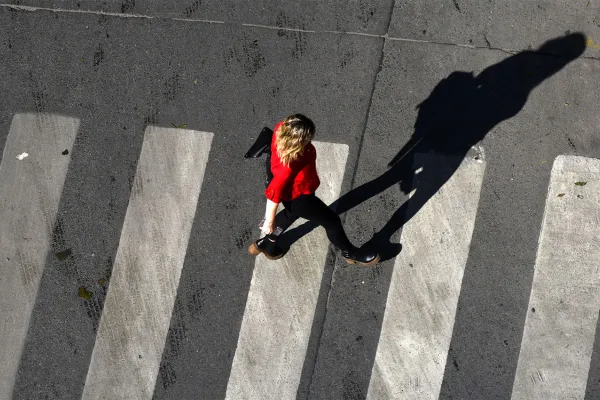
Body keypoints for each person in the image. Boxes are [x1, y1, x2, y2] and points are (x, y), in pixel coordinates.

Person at [248, 114, 380, 267]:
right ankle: (351, 253)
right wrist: (269, 220)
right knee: (333, 223)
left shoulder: (282, 128)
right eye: (308, 139)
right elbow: (273, 193)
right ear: (298, 142)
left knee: (291, 214)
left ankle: (266, 244)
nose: (310, 140)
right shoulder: (288, 165)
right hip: (300, 198)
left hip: (294, 192)